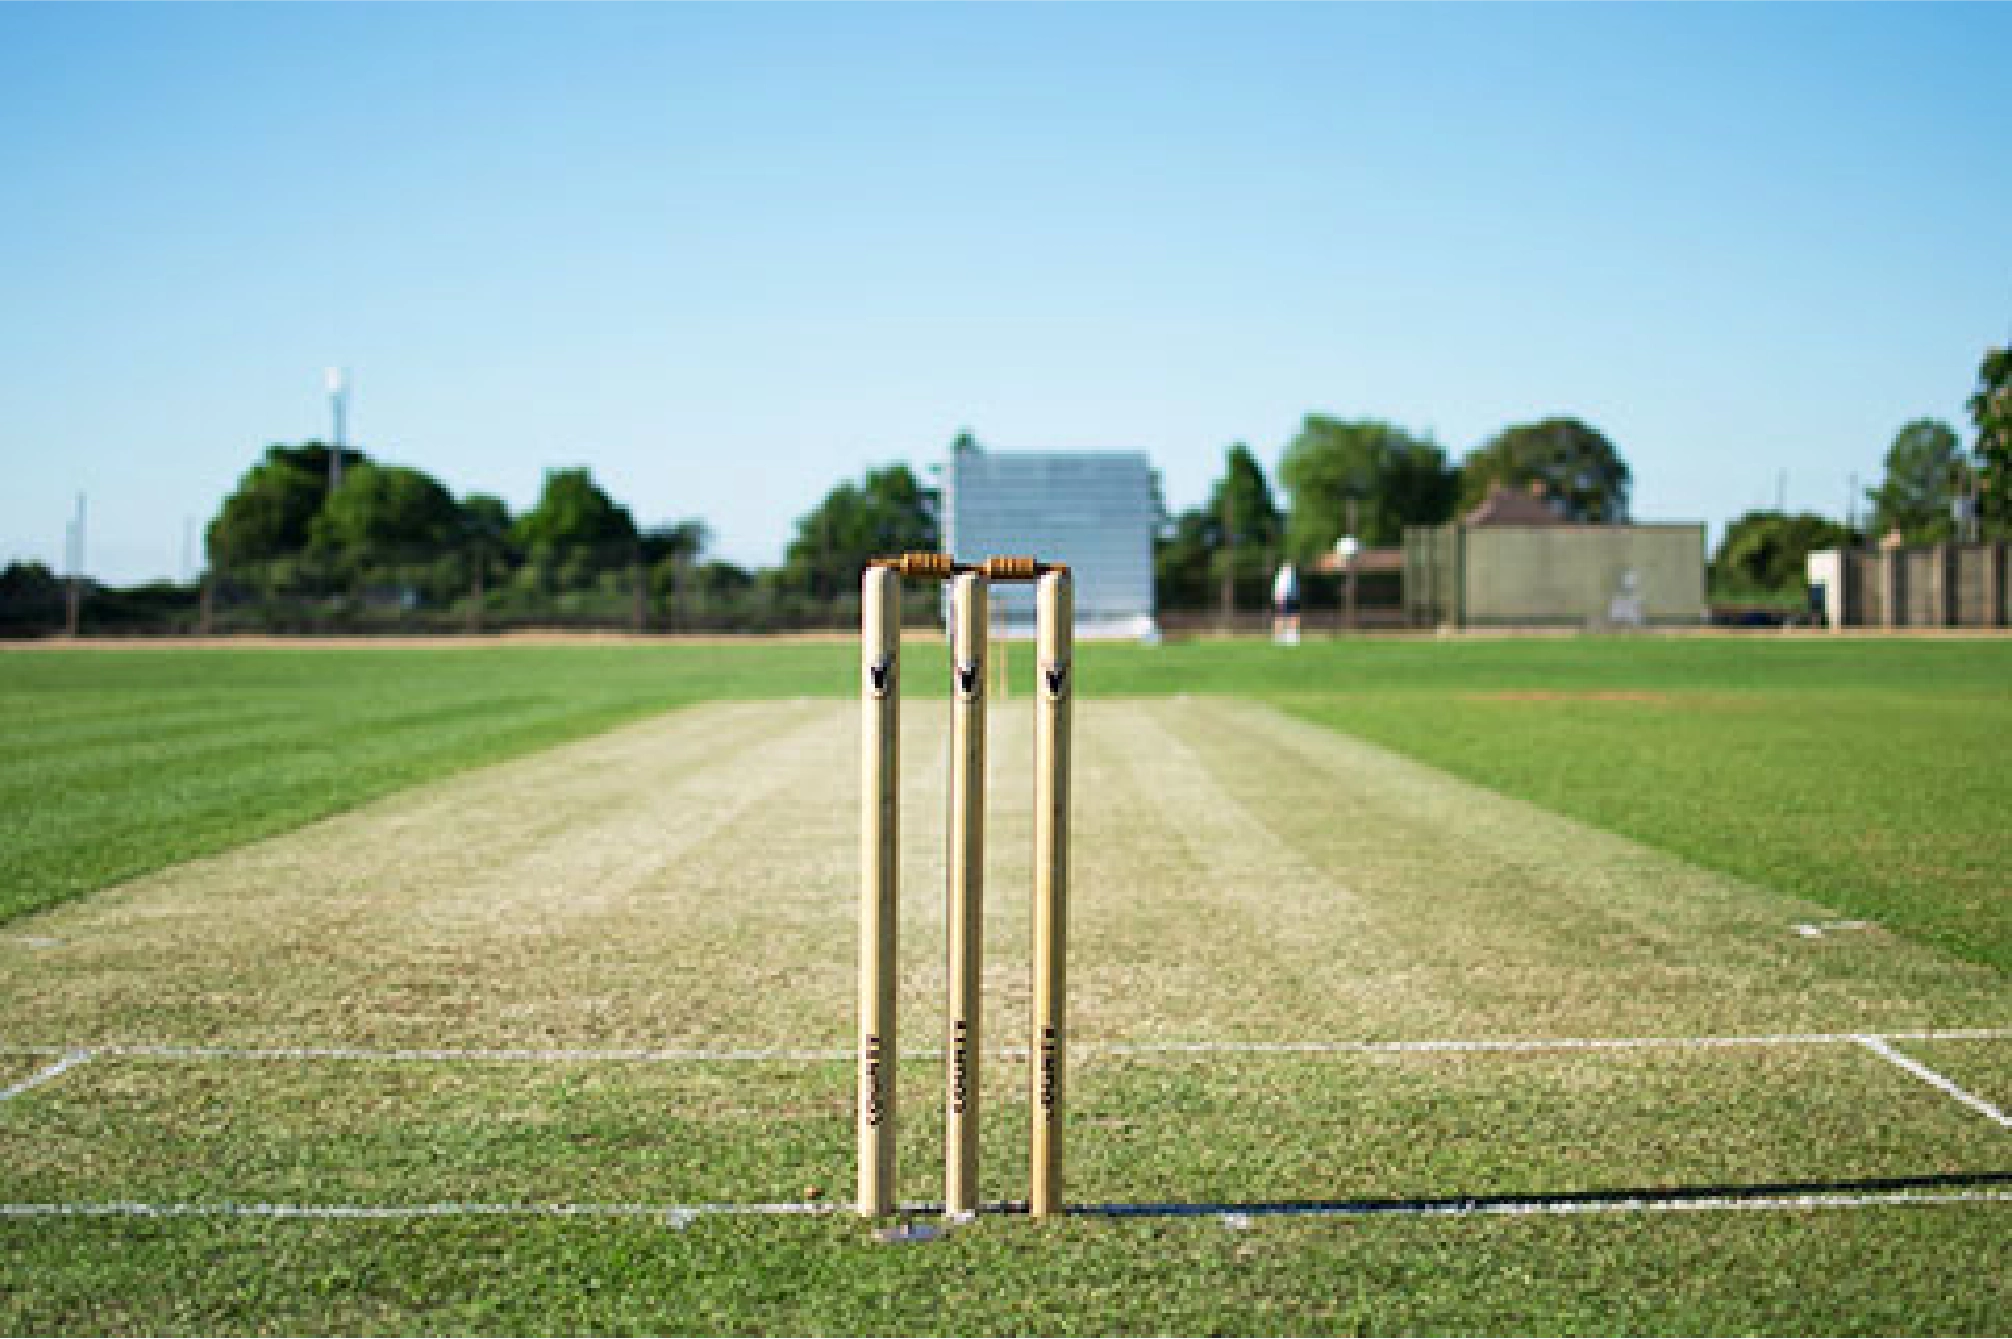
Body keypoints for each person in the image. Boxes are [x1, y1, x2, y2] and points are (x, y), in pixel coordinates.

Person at [1271, 562, 1300, 645]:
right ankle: (1279, 636)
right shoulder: (1283, 576)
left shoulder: (1291, 576)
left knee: (1292, 616)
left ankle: (1291, 635)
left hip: (1291, 598)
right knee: (1281, 617)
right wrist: (1279, 598)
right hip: (1285, 598)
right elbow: (1279, 588)